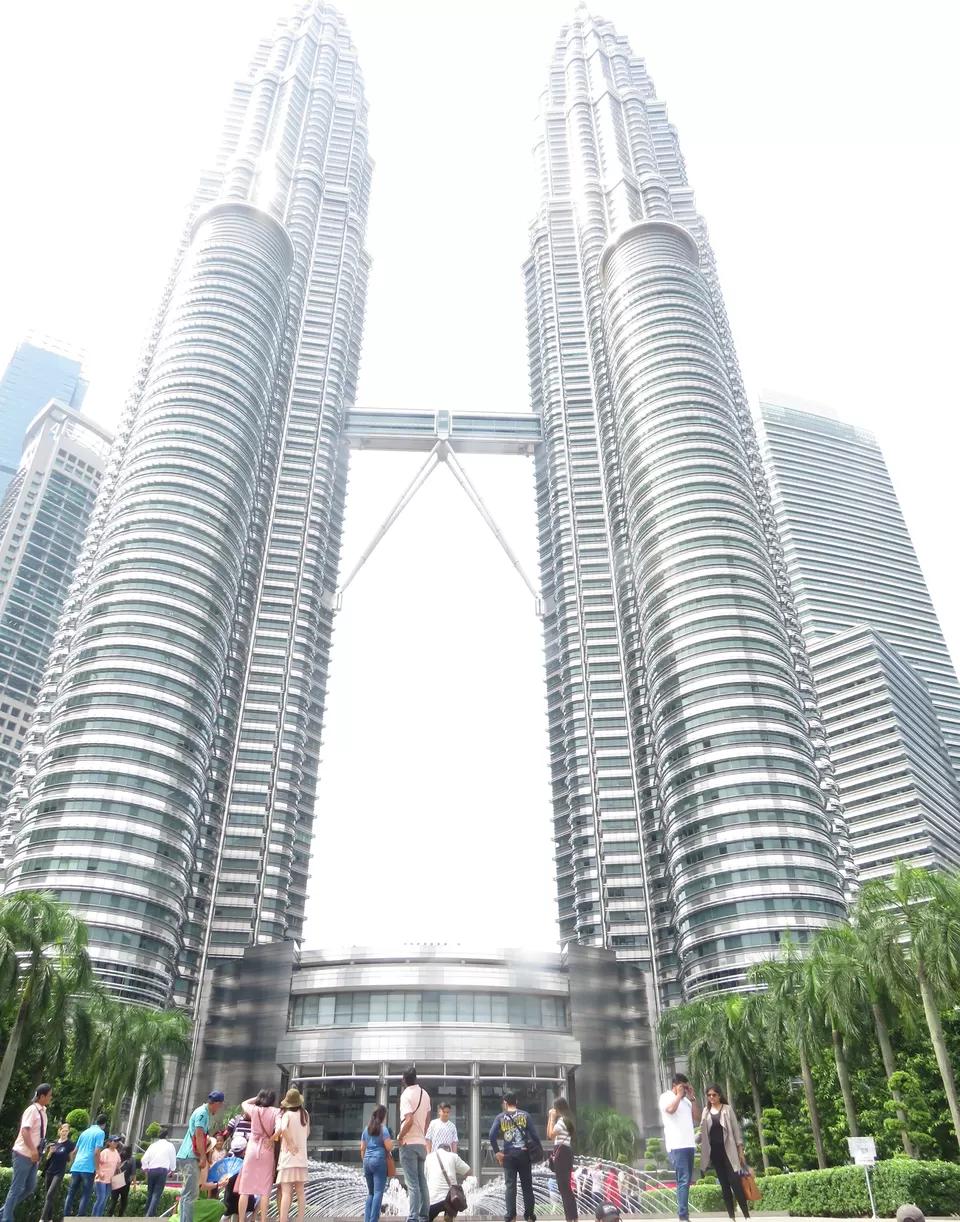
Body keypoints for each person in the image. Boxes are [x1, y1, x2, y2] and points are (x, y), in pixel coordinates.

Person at [1, 1082, 53, 1222]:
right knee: (16, 1188)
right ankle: (6, 1218)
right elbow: (25, 1131)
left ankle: (3, 1212)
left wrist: (38, 1153)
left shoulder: (43, 1112)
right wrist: (33, 1150)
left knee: (30, 1187)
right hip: (23, 1154)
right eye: (49, 1095)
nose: (51, 1097)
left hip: (33, 1156)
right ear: (42, 1096)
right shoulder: (32, 1110)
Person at [699, 1086, 749, 1220]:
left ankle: (746, 1216)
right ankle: (731, 1217)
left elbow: (736, 1130)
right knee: (724, 1186)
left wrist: (740, 1150)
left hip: (729, 1152)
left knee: (736, 1183)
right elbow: (702, 1131)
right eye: (709, 1095)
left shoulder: (727, 1109)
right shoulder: (706, 1112)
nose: (711, 1097)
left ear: (719, 1095)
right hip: (716, 1154)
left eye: (714, 1095)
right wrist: (690, 1141)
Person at [489, 1092, 539, 1222]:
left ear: (505, 1103)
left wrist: (497, 1152)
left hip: (508, 1156)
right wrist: (538, 1151)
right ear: (516, 1102)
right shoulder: (525, 1115)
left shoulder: (500, 1117)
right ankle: (529, 1216)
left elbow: (491, 1135)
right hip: (524, 1155)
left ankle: (511, 1216)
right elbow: (535, 1135)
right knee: (527, 1186)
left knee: (510, 1186)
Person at [178, 1091, 226, 1222]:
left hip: (186, 1156)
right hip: (191, 1156)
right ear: (217, 1103)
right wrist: (203, 1157)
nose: (219, 1109)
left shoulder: (201, 1111)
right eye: (220, 1106)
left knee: (187, 1195)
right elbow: (199, 1135)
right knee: (190, 1195)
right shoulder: (203, 1113)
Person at [659, 1074, 700, 1222]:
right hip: (677, 1146)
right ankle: (683, 1215)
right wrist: (678, 1096)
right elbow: (670, 1110)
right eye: (682, 1086)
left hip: (689, 1144)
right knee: (683, 1179)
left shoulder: (687, 1101)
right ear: (674, 1086)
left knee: (687, 1180)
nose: (684, 1090)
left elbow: (697, 1117)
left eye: (686, 1087)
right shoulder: (666, 1097)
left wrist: (692, 1097)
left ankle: (684, 1212)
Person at [236, 1089, 279, 1222]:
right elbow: (280, 1128)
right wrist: (271, 1139)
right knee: (265, 1190)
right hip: (267, 1149)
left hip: (252, 1149)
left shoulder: (253, 1109)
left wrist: (258, 1097)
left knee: (245, 1189)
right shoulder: (276, 1111)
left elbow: (243, 1103)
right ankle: (263, 1220)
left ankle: (241, 1220)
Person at [397, 1067, 431, 1222]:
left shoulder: (406, 1095)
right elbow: (427, 1121)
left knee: (412, 1184)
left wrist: (400, 1136)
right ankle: (424, 1216)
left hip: (409, 1144)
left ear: (404, 1079)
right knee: (422, 1182)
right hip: (421, 1143)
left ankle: (413, 1218)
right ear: (416, 1078)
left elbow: (409, 1120)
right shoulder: (425, 1094)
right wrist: (421, 1135)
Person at [275, 1088, 310, 1222]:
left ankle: (283, 1219)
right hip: (301, 1158)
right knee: (300, 1191)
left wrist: (289, 1143)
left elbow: (283, 1129)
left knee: (286, 1192)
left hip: (288, 1158)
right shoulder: (305, 1114)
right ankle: (300, 1219)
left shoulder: (287, 1115)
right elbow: (307, 1133)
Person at [65, 1112, 108, 1216]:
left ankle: (66, 1216)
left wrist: (72, 1167)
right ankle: (80, 1216)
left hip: (77, 1166)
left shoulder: (85, 1132)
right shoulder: (100, 1133)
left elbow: (74, 1152)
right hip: (88, 1167)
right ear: (104, 1124)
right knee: (86, 1194)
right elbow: (97, 1152)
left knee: (71, 1192)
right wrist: (97, 1169)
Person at [546, 1097, 577, 1222]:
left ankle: (570, 1218)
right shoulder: (568, 1120)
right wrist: (551, 1118)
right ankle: (573, 1217)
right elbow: (550, 1134)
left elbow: (550, 1134)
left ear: (558, 1108)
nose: (554, 1110)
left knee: (563, 1187)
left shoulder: (562, 1121)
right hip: (566, 1153)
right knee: (566, 1187)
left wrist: (551, 1117)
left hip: (562, 1153)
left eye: (555, 1108)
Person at [361, 1104, 393, 1222]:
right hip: (379, 1161)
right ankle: (373, 1220)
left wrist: (365, 1160)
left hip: (367, 1162)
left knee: (371, 1193)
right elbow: (389, 1147)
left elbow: (362, 1148)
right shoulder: (383, 1129)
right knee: (378, 1192)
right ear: (383, 1116)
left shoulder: (366, 1129)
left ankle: (367, 1219)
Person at [424, 1142, 470, 1222]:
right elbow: (468, 1172)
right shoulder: (453, 1156)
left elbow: (424, 1177)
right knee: (451, 1208)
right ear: (448, 1149)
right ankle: (449, 1216)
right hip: (451, 1199)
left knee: (427, 1218)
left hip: (433, 1199)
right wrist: (454, 1170)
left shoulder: (428, 1157)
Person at [41, 1121, 76, 1222]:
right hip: (49, 1171)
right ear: (60, 1131)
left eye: (66, 1131)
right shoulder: (54, 1143)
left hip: (59, 1172)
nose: (64, 1133)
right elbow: (47, 1159)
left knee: (50, 1194)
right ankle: (50, 1219)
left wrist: (71, 1171)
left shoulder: (70, 1145)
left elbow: (71, 1159)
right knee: (49, 1196)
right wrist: (50, 1152)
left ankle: (42, 1219)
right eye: (63, 1131)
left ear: (68, 1132)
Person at [142, 1127, 178, 1218]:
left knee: (150, 1192)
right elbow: (173, 1159)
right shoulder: (170, 1146)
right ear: (167, 1136)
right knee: (156, 1193)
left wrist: (146, 1168)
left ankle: (147, 1213)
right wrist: (172, 1170)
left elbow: (144, 1159)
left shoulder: (153, 1145)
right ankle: (149, 1215)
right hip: (162, 1171)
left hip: (152, 1170)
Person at [92, 1135, 121, 1217]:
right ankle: (93, 1217)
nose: (116, 1143)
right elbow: (97, 1162)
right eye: (114, 1141)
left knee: (104, 1200)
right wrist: (98, 1172)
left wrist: (118, 1168)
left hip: (110, 1180)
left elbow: (118, 1163)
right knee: (100, 1198)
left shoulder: (116, 1152)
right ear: (109, 1142)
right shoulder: (105, 1152)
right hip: (101, 1178)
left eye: (117, 1141)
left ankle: (99, 1217)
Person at [108, 1145, 136, 1216]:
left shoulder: (118, 1157)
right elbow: (133, 1173)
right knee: (123, 1202)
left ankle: (109, 1215)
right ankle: (120, 1216)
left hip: (116, 1180)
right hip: (125, 1183)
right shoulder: (131, 1160)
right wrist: (134, 1184)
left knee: (113, 1201)